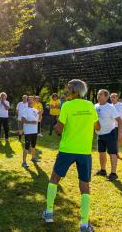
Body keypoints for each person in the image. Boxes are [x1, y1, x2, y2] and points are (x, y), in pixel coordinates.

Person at [43, 79, 99, 232]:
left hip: (67, 150)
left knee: (54, 178)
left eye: (68, 89)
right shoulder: (90, 106)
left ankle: (49, 213)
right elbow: (97, 126)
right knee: (85, 185)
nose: (67, 92)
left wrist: (56, 126)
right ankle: (84, 225)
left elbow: (58, 130)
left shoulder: (67, 105)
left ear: (75, 91)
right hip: (84, 152)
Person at [94, 89, 122, 182]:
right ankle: (103, 170)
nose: (98, 96)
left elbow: (119, 120)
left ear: (106, 97)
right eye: (98, 94)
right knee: (101, 153)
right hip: (100, 134)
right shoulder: (95, 106)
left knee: (112, 153)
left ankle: (114, 173)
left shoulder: (110, 107)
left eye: (101, 94)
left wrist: (119, 133)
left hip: (110, 133)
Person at [21, 97, 40, 168]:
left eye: (32, 100)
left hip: (34, 131)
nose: (30, 101)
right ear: (27, 101)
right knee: (27, 146)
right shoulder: (25, 110)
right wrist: (31, 122)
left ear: (34, 101)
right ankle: (24, 162)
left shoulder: (35, 110)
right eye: (29, 100)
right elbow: (23, 120)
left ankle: (33, 158)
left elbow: (38, 120)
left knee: (33, 145)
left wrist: (40, 114)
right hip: (28, 131)